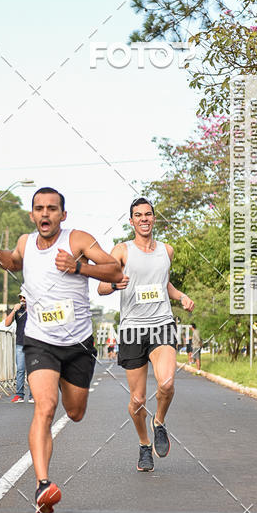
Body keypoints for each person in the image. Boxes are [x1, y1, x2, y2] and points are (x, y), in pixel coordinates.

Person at [0, 186, 123, 513]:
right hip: (40, 340)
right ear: (32, 215)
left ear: (63, 215)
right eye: (40, 209)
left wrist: (78, 267)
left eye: (52, 209)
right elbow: (13, 263)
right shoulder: (26, 244)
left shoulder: (78, 240)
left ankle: (45, 480)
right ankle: (43, 485)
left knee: (75, 412)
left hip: (78, 343)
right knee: (44, 406)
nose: (45, 214)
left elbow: (115, 270)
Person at [98, 197, 194, 473]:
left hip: (161, 324)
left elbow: (165, 285)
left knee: (166, 383)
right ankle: (144, 445)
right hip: (132, 329)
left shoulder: (167, 250)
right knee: (137, 400)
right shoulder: (121, 251)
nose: (144, 219)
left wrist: (181, 296)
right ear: (131, 221)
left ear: (154, 218)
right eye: (138, 215)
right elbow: (102, 287)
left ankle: (159, 421)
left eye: (148, 214)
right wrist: (116, 285)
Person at [5, 291, 33, 403]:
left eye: (24, 297)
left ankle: (33, 395)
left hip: (33, 344)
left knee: (32, 371)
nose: (22, 299)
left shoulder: (34, 310)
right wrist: (14, 310)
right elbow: (6, 324)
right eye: (21, 297)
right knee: (20, 370)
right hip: (20, 344)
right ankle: (19, 395)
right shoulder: (18, 311)